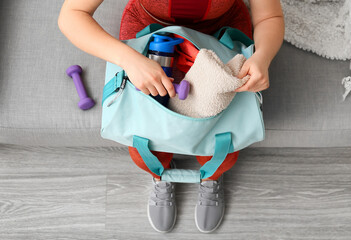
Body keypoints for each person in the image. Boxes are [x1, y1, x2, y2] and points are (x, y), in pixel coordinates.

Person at [58, 0, 284, 233]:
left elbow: (269, 17)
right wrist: (129, 60)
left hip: (222, 36)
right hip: (151, 36)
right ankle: (161, 174)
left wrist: (263, 57)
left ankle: (210, 177)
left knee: (222, 146)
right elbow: (72, 15)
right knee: (145, 145)